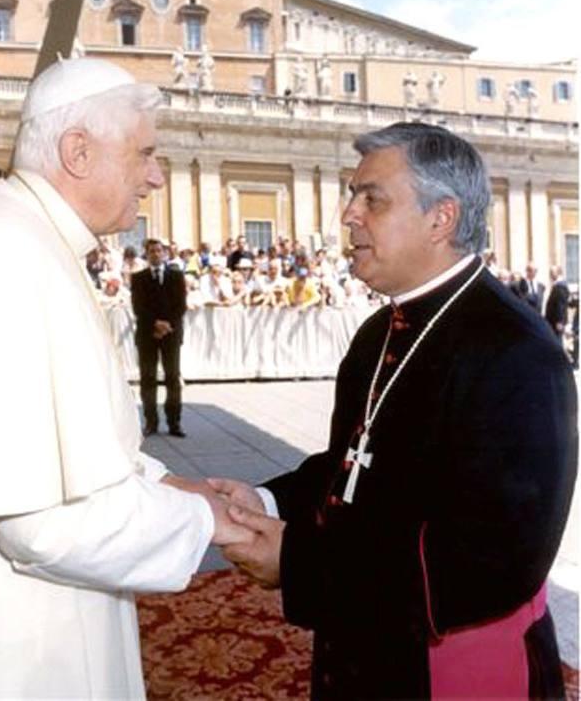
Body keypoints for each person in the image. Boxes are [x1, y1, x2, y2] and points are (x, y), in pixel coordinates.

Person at [213, 122, 577, 700]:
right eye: (353, 195)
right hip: (363, 640)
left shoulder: (516, 352)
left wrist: (300, 563)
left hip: (451, 661)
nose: (348, 215)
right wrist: (264, 500)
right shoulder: (379, 331)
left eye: (372, 199)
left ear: (442, 218)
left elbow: (494, 561)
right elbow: (353, 466)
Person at [0, 57, 251, 699]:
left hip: (44, 609)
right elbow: (43, 523)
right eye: (144, 152)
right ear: (78, 151)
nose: (155, 176)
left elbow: (71, 440)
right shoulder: (9, 254)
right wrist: (211, 524)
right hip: (24, 638)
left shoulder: (25, 235)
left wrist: (167, 481)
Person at [131, 238, 187, 437]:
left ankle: (174, 422)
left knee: (172, 377)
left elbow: (180, 305)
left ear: (164, 253)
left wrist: (167, 325)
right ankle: (151, 422)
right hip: (147, 334)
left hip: (171, 334)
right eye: (151, 251)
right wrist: (155, 323)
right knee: (148, 378)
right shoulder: (138, 278)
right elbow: (139, 307)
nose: (155, 254)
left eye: (158, 250)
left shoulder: (176, 276)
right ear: (146, 254)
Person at [545, 264, 570, 341]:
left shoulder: (560, 287)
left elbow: (560, 305)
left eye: (552, 272)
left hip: (556, 322)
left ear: (559, 273)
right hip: (553, 321)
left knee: (557, 341)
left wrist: (560, 321)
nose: (550, 274)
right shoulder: (557, 286)